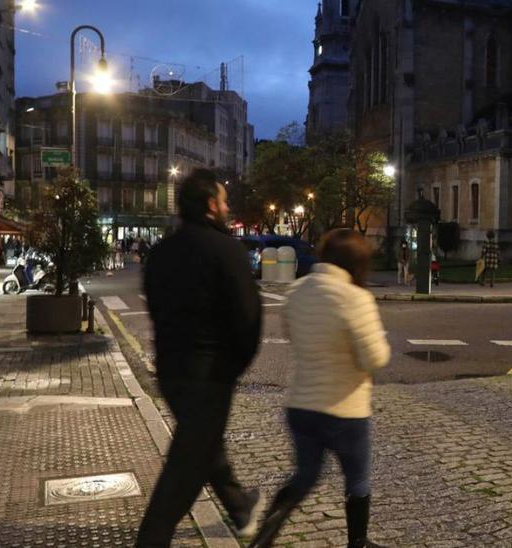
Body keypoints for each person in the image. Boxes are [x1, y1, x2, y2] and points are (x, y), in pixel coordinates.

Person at [136, 169, 265, 546]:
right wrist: (231, 369)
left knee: (205, 444)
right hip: (209, 376)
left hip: (171, 374)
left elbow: (157, 312)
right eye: (224, 201)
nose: (227, 207)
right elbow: (248, 319)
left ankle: (240, 507)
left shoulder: (159, 255)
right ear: (211, 206)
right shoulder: (227, 250)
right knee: (183, 473)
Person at [249, 229, 390, 548]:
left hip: (301, 405)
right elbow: (376, 357)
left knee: (304, 477)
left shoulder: (297, 291)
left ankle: (264, 537)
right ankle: (358, 542)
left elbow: (293, 336)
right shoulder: (356, 298)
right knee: (358, 480)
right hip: (345, 408)